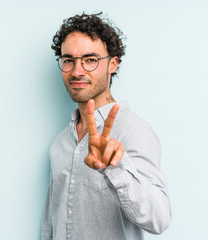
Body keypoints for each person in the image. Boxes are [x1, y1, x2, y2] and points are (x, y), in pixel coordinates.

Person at [42, 12, 171, 240]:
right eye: (68, 60)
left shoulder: (134, 131)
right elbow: (51, 224)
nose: (77, 71)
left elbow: (159, 219)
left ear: (112, 64)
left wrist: (115, 167)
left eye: (90, 60)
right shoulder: (60, 142)